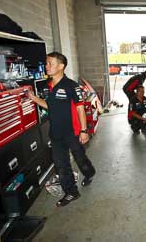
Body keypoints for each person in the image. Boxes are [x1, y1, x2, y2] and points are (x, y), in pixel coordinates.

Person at [27, 52, 96, 207]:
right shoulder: (48, 86)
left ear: (61, 66)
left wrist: (84, 131)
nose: (46, 66)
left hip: (74, 132)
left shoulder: (72, 86)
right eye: (46, 63)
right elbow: (49, 106)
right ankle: (71, 192)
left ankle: (89, 173)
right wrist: (34, 99)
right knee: (61, 165)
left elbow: (80, 109)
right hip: (56, 133)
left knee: (80, 159)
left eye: (50, 63)